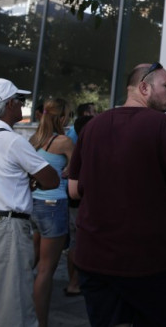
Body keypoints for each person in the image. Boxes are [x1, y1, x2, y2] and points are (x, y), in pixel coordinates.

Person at [68, 62, 166, 326]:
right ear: (143, 88)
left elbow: (73, 189)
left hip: (93, 258)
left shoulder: (92, 125)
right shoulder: (164, 125)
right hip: (147, 262)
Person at [0, 78, 59, 327]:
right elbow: (51, 179)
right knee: (14, 313)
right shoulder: (11, 141)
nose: (22, 106)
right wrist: (33, 181)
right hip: (0, 231)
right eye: (20, 100)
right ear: (8, 105)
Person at [29, 97, 75, 327]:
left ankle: (21, 311)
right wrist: (67, 170)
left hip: (33, 205)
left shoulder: (34, 139)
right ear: (62, 117)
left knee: (32, 262)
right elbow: (78, 168)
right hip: (54, 205)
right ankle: (41, 322)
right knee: (46, 271)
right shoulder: (64, 141)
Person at [64, 114, 93, 297]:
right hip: (78, 203)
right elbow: (75, 187)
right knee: (78, 243)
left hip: (73, 202)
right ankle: (75, 283)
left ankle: (73, 282)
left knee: (74, 243)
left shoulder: (78, 147)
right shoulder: (85, 149)